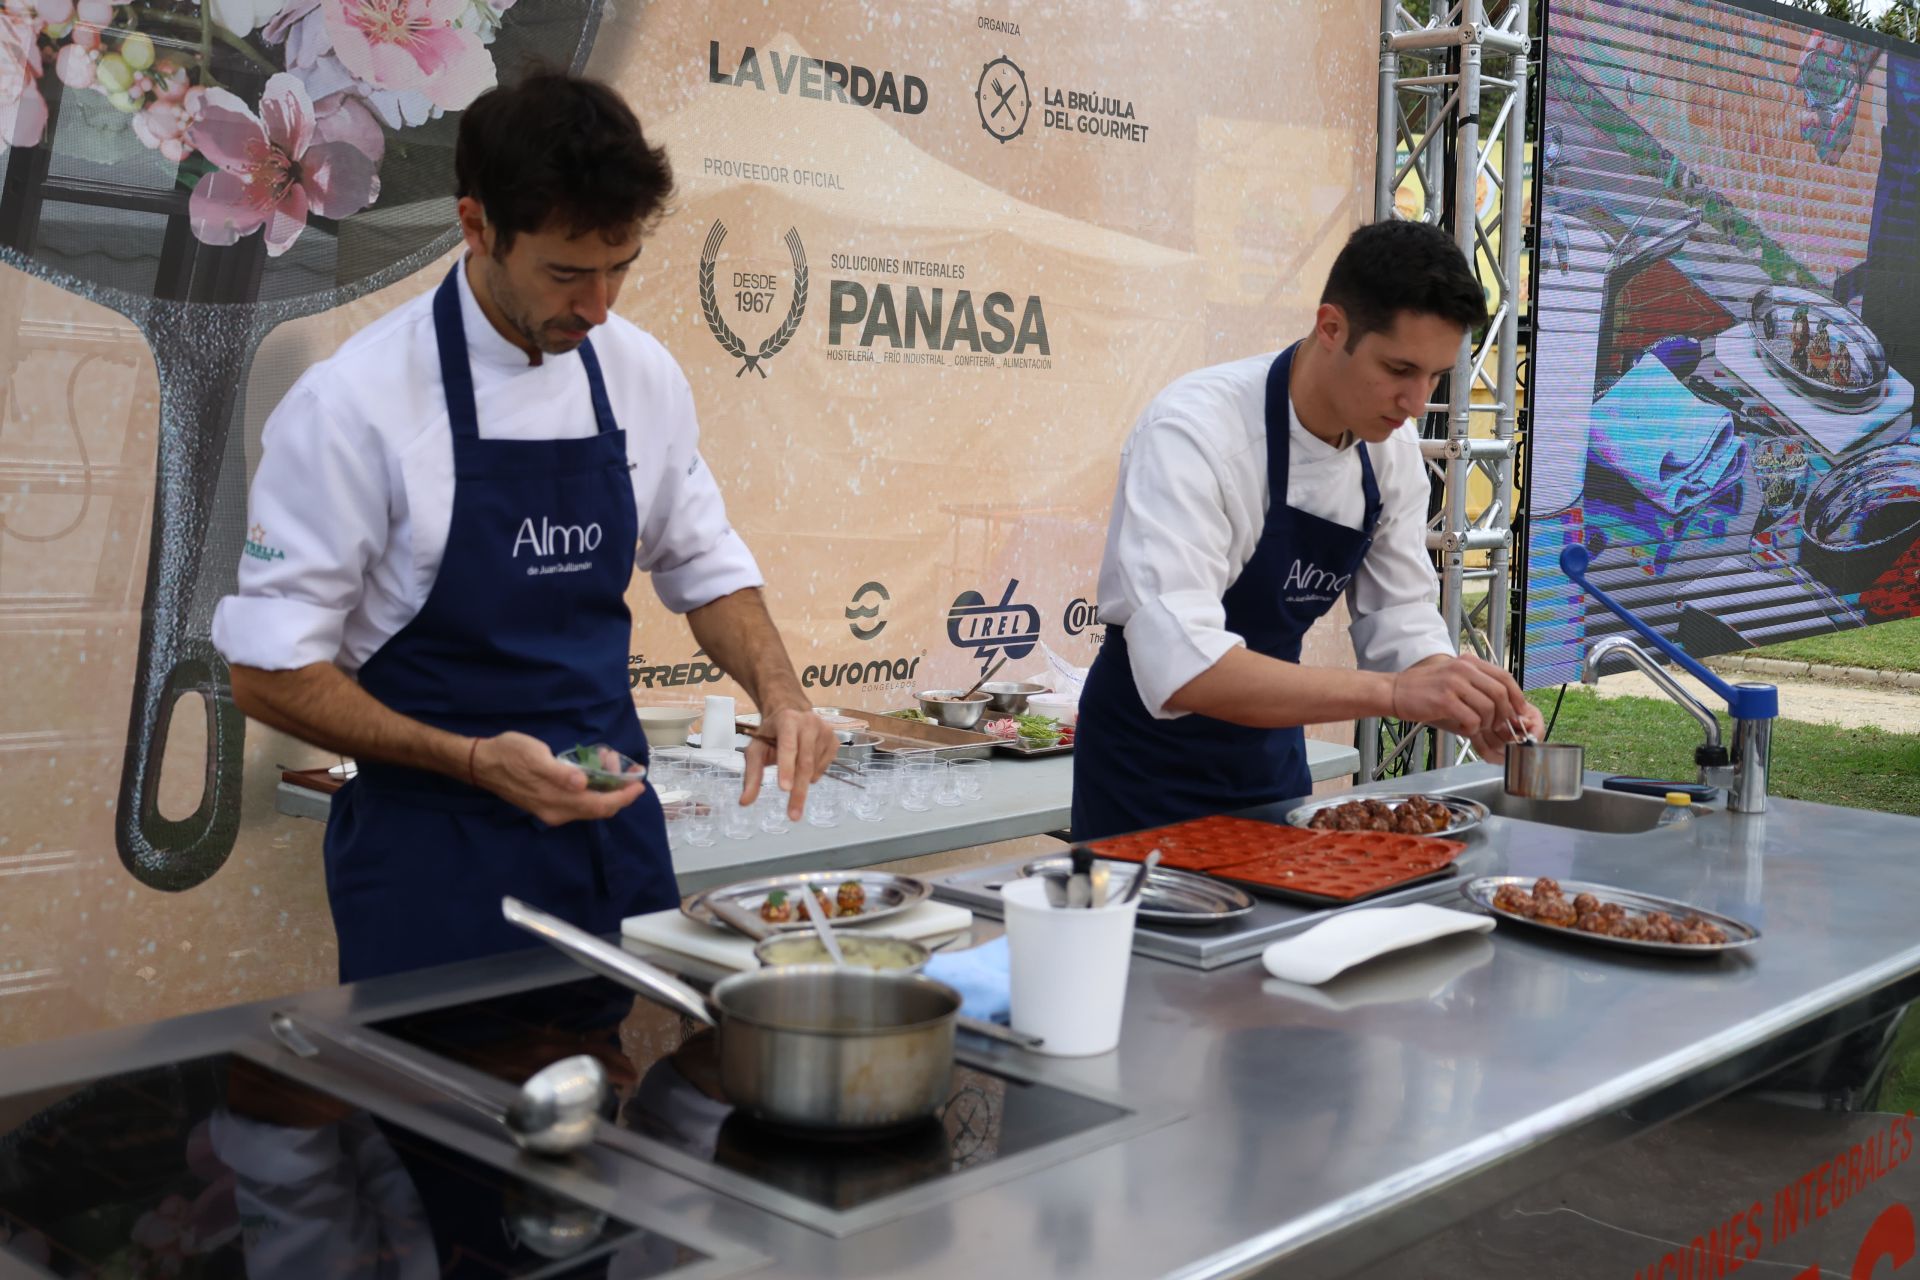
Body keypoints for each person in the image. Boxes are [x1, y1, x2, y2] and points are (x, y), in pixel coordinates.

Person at [212, 71, 837, 982]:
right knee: (441, 1119)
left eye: (619, 268)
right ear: (476, 226)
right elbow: (267, 674)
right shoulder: (354, 407)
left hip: (616, 850)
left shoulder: (637, 374)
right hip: (436, 864)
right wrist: (470, 761)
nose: (598, 307)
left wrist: (780, 695)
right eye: (566, 273)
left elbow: (703, 562)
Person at [1071, 220, 1544, 840]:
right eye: (1399, 368)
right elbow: (1184, 669)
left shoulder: (1390, 450)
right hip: (1145, 782)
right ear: (1331, 328)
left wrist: (1453, 692)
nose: (1416, 402)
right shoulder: (1195, 433)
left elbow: (1398, 611)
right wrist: (1396, 693)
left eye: (1435, 376)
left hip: (1271, 771)